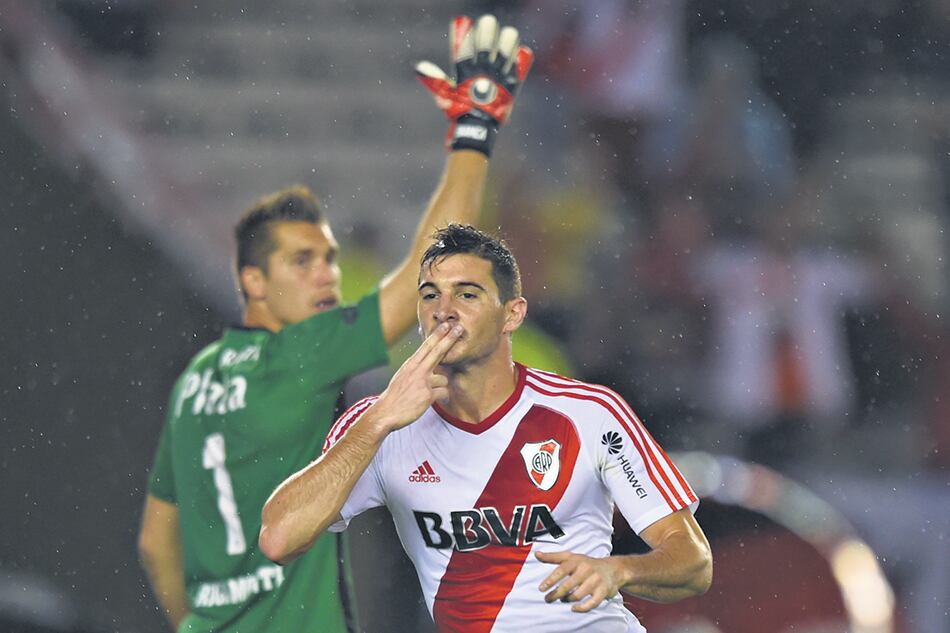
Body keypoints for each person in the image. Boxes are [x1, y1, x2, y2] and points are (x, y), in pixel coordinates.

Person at [137, 16, 534, 633]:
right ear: (254, 282)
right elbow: (435, 259)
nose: (327, 274)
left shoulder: (196, 379)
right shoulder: (305, 355)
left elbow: (155, 542)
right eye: (302, 262)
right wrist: (473, 131)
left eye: (328, 257)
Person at [260, 224, 713, 633]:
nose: (444, 310)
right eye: (430, 295)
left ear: (512, 314)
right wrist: (380, 419)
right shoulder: (381, 424)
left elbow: (694, 563)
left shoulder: (589, 414)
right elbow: (279, 538)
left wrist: (619, 571)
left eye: (467, 295)